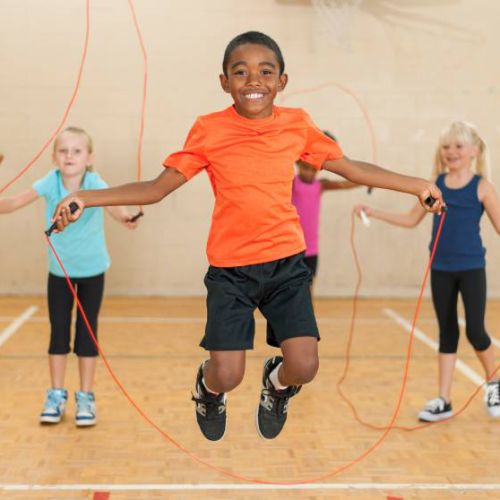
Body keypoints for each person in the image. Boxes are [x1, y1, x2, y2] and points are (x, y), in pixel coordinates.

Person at [51, 31, 444, 441]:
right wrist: (85, 197)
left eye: (265, 72)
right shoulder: (209, 130)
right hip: (231, 270)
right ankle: (207, 390)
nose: (253, 80)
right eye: (240, 72)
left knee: (304, 365)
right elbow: (157, 188)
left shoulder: (297, 125)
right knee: (228, 374)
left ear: (282, 81)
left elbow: (351, 168)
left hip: (287, 264)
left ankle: (276, 384)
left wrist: (415, 184)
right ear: (224, 82)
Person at [355, 120, 500, 422]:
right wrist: (375, 212)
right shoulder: (435, 186)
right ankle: (444, 400)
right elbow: (411, 220)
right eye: (446, 146)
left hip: (472, 268)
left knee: (475, 330)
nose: (451, 152)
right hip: (440, 269)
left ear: (474, 150)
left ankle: (494, 383)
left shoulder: (482, 186)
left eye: (458, 146)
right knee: (447, 333)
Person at [0, 126, 139, 426]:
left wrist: (126, 216)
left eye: (77, 151)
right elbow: (11, 204)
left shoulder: (93, 182)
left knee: (87, 337)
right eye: (63, 151)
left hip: (93, 271)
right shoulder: (50, 183)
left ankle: (85, 397)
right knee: (59, 334)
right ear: (54, 158)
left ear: (89, 157)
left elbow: (112, 203)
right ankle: (56, 394)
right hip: (59, 274)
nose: (69, 156)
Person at [292, 130, 360, 279]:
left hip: (311, 248)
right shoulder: (291, 184)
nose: (309, 173)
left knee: (310, 284)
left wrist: (366, 181)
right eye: (305, 168)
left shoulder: (321, 185)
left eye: (312, 169)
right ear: (298, 163)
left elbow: (345, 184)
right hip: (292, 247)